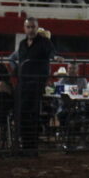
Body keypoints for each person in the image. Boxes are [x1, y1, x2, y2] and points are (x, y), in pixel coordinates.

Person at [8, 17, 54, 153]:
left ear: (36, 28)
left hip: (35, 82)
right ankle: (24, 144)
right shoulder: (22, 44)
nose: (30, 29)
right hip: (23, 82)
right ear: (25, 28)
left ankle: (30, 146)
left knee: (31, 113)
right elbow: (19, 60)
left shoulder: (44, 42)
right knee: (21, 113)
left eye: (33, 27)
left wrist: (55, 57)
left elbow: (51, 53)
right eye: (28, 27)